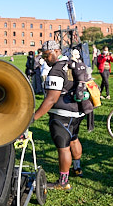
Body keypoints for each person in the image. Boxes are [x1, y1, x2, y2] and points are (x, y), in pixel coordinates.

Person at [33, 40, 85, 191]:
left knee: (63, 147)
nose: (45, 58)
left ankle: (63, 182)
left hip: (62, 113)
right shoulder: (70, 64)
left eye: (47, 55)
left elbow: (51, 99)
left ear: (57, 51)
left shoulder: (56, 70)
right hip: (77, 110)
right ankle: (77, 168)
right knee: (74, 139)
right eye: (43, 56)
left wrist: (34, 117)